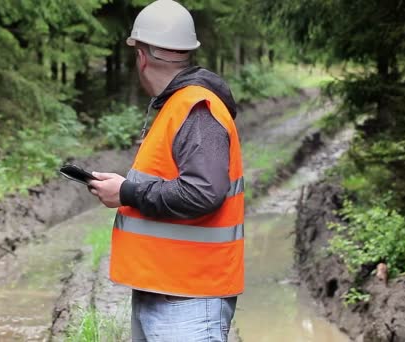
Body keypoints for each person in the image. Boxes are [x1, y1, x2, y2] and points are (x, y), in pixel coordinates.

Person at [88, 0, 244, 340]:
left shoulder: (196, 109)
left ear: (141, 56)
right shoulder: (177, 106)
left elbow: (204, 192)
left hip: (188, 299)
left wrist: (125, 191)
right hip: (165, 289)